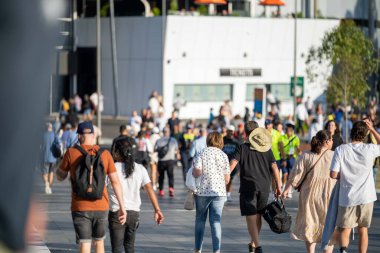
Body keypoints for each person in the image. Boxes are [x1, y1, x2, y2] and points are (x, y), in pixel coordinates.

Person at [56, 121, 127, 253]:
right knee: (99, 242)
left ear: (78, 136)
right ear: (93, 135)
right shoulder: (105, 154)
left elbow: (60, 177)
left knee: (85, 244)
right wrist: (122, 208)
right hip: (101, 205)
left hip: (80, 206)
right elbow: (115, 182)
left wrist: (61, 162)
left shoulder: (71, 153)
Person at [230, 121, 282, 253]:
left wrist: (224, 177)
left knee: (251, 217)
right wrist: (278, 186)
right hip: (264, 187)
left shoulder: (241, 148)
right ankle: (254, 242)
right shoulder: (266, 149)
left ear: (246, 133)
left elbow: (232, 165)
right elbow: (275, 168)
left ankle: (257, 246)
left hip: (248, 188)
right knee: (258, 215)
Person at [282, 130, 337, 253]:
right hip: (329, 196)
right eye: (332, 139)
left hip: (309, 195)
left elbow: (297, 174)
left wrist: (287, 189)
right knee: (328, 226)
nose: (333, 141)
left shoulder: (306, 155)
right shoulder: (335, 155)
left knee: (310, 224)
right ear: (327, 141)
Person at [330, 119, 380, 253]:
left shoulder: (341, 149)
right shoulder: (370, 148)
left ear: (351, 132)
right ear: (365, 135)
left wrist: (345, 175)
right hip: (366, 196)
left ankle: (343, 250)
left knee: (345, 228)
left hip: (347, 196)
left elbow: (333, 174)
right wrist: (373, 129)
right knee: (363, 230)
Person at [108, 136, 164, 253]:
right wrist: (157, 210)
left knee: (117, 248)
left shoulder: (111, 168)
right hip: (134, 213)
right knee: (129, 246)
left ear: (117, 152)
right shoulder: (140, 168)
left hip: (116, 212)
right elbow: (149, 189)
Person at [192, 132, 230, 253]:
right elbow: (227, 179)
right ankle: (216, 250)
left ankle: (198, 249)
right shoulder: (224, 155)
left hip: (203, 191)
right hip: (219, 192)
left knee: (200, 220)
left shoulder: (201, 153)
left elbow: (197, 172)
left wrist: (193, 172)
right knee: (216, 222)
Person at [155, 128, 179, 197]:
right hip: (170, 160)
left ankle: (161, 190)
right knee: (170, 175)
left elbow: (155, 149)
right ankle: (171, 189)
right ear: (169, 132)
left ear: (163, 132)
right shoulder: (173, 140)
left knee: (161, 176)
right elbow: (176, 149)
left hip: (161, 161)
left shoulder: (158, 140)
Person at [279, 122, 301, 197]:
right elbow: (281, 148)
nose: (289, 132)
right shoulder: (282, 137)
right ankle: (284, 188)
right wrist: (284, 158)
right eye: (287, 130)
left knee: (291, 175)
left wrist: (298, 151)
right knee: (285, 174)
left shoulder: (295, 138)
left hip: (292, 158)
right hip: (284, 157)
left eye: (290, 131)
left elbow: (297, 148)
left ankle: (289, 190)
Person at [222, 125, 240, 202]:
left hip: (232, 163)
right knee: (222, 179)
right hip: (222, 163)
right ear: (226, 131)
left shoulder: (236, 142)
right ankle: (223, 193)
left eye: (231, 131)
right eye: (229, 131)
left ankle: (228, 194)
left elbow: (239, 153)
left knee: (230, 179)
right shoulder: (222, 140)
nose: (230, 133)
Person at [41, 123, 58, 194]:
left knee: (44, 172)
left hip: (44, 157)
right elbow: (59, 144)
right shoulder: (54, 135)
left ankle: (46, 184)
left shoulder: (42, 135)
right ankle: (50, 188)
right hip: (53, 157)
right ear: (51, 128)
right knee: (51, 172)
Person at [149, 127, 161, 191]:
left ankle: (153, 185)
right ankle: (158, 183)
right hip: (158, 156)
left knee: (153, 171)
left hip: (152, 156)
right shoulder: (159, 138)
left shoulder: (150, 138)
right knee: (158, 171)